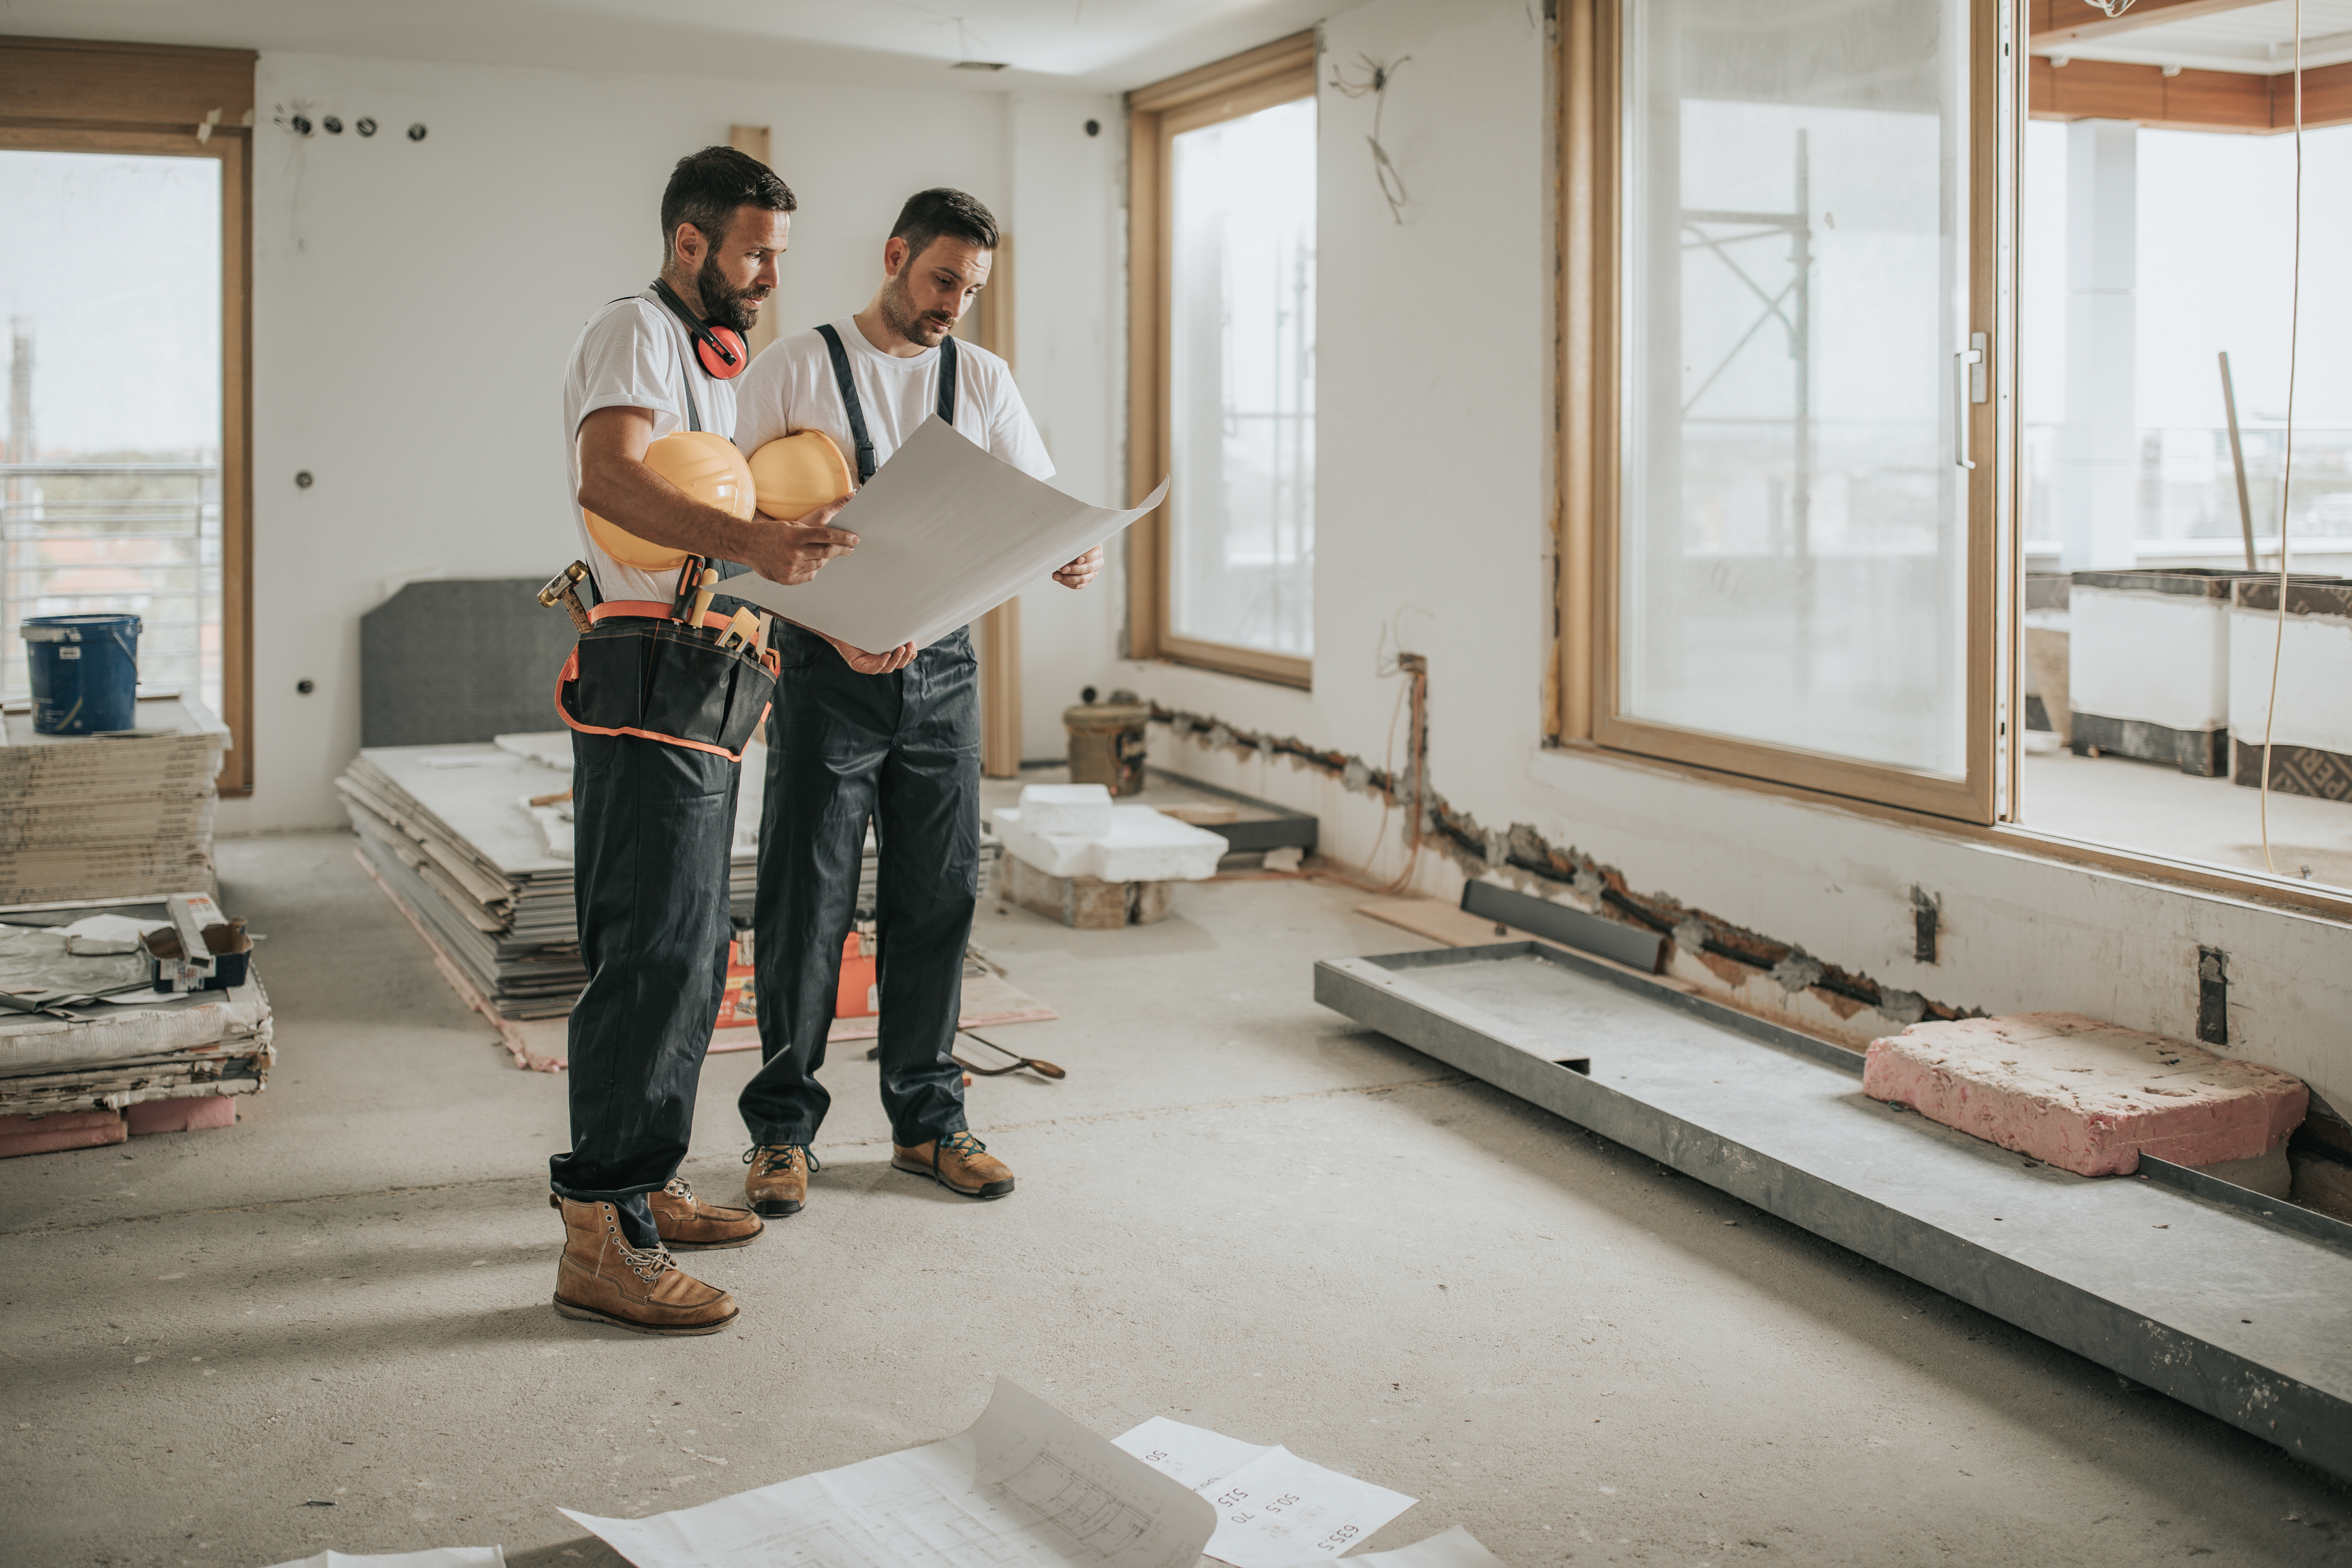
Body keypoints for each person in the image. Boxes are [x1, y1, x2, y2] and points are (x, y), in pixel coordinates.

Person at [730, 187, 1102, 1217]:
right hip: (823, 672)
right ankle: (780, 1135)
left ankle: (930, 1123)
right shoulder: (796, 367)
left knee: (937, 897)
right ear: (895, 256)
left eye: (971, 289)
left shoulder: (980, 377)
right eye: (942, 280)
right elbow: (729, 522)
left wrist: (1075, 549)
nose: (953, 304)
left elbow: (1038, 502)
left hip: (943, 677)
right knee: (806, 903)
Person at [546, 146, 858, 1336]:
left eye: (778, 253)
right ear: (692, 243)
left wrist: (785, 540)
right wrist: (758, 549)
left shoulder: (710, 363)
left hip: (711, 661)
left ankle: (649, 1183)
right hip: (648, 661)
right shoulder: (635, 327)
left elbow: (713, 503)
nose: (772, 275)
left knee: (692, 947)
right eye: (757, 253)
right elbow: (613, 482)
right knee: (649, 952)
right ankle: (601, 1233)